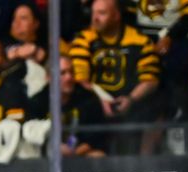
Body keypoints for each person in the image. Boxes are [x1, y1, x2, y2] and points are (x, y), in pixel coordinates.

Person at [68, 0, 160, 153]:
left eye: (102, 13)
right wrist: (101, 101)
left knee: (155, 105)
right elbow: (80, 79)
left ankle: (144, 163)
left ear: (117, 16)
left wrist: (131, 99)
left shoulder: (141, 41)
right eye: (93, 13)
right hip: (95, 107)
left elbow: (150, 80)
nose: (95, 18)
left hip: (130, 107)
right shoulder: (83, 39)